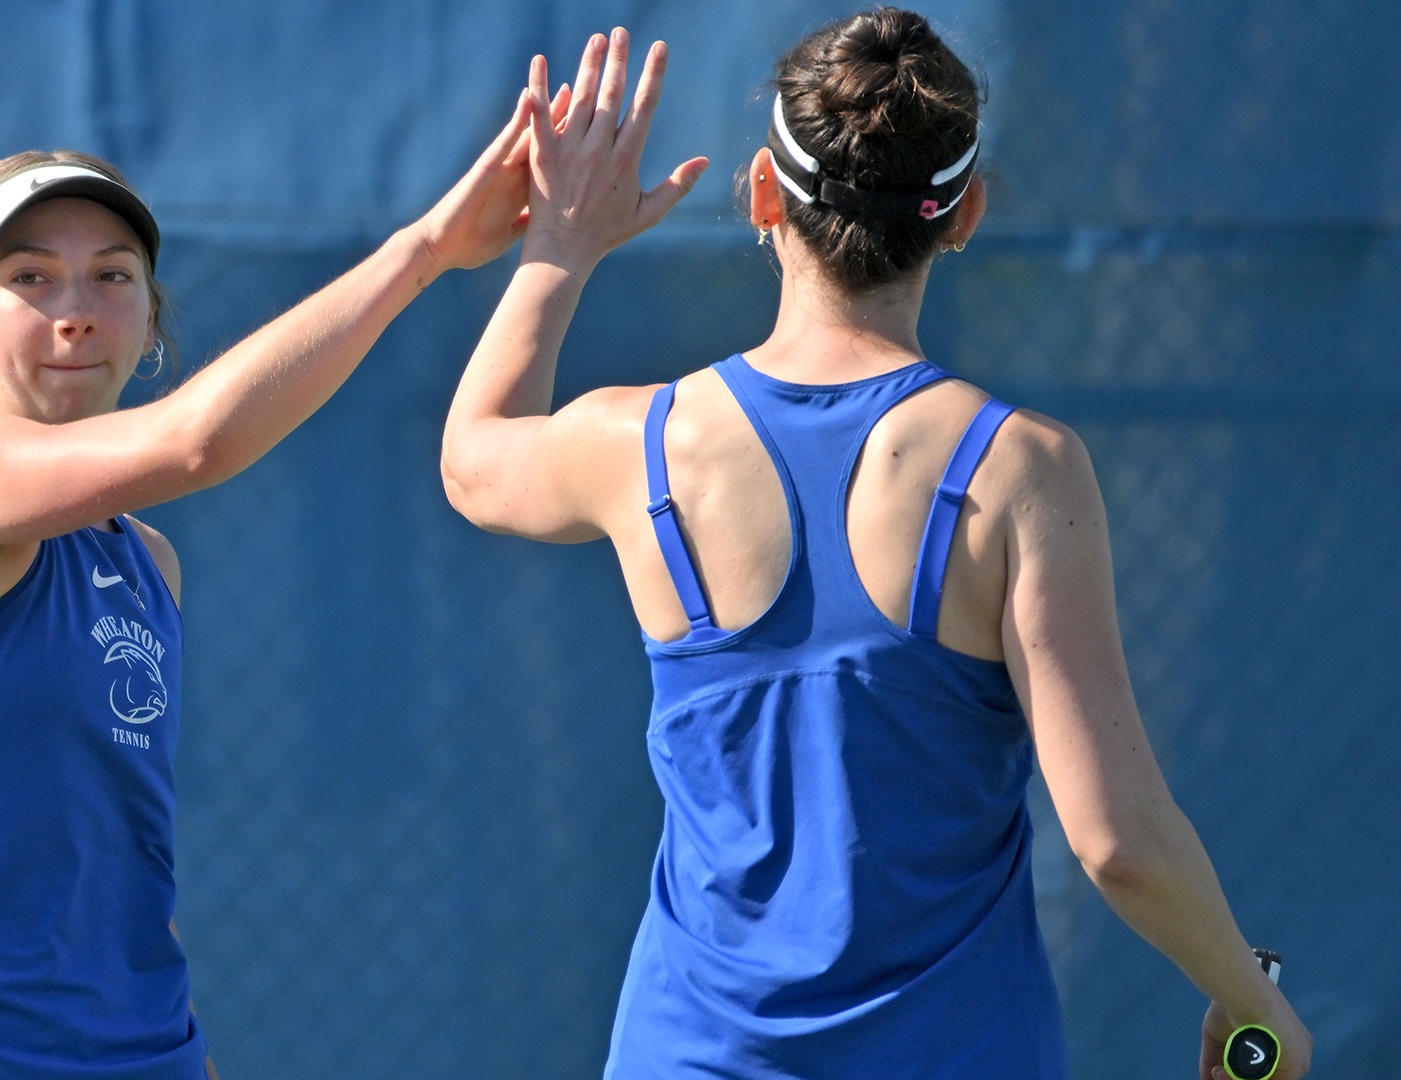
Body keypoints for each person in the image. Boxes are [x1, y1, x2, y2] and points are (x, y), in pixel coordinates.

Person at [440, 13, 1313, 1080]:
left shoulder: (642, 444)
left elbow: (473, 463)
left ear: (764, 193)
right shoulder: (1022, 470)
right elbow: (1116, 842)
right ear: (966, 215)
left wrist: (558, 249)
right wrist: (1254, 1004)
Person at [0, 94, 535, 1077]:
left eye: (112, 276)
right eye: (30, 278)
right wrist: (426, 250)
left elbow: (115, 853)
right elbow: (196, 440)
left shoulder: (146, 561)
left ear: (150, 315)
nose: (74, 312)